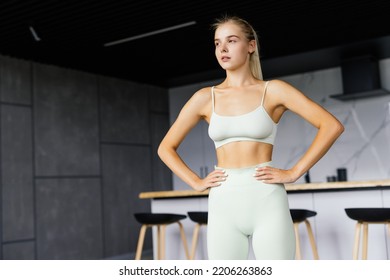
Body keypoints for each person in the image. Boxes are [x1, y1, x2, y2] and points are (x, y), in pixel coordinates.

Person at [158, 15, 344, 260]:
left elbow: (331, 126)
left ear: (251, 45)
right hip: (223, 202)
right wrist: (195, 182)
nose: (222, 49)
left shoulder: (274, 90)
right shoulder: (204, 98)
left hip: (266, 199)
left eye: (231, 41)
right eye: (217, 43)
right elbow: (165, 148)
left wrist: (294, 172)